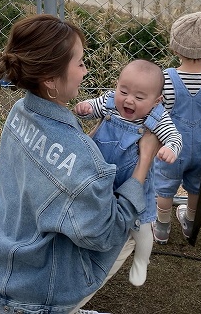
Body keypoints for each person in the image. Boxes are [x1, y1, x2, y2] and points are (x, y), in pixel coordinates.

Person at [0, 14, 161, 314]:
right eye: (80, 63)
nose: (85, 71)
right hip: (27, 296)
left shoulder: (20, 110)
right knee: (131, 231)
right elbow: (107, 232)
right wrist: (145, 157)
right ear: (51, 80)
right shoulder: (82, 161)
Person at [75, 59, 183, 286]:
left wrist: (170, 149)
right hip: (100, 174)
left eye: (140, 97)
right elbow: (91, 109)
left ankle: (142, 260)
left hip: (135, 181)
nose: (129, 99)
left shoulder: (157, 118)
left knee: (142, 224)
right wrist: (84, 108)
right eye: (123, 91)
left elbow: (174, 137)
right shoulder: (109, 103)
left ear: (156, 101)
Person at [152, 11, 201, 244]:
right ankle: (189, 221)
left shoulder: (166, 77)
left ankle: (162, 227)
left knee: (165, 186)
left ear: (175, 49)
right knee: (196, 187)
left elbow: (160, 107)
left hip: (171, 147)